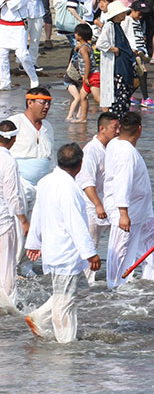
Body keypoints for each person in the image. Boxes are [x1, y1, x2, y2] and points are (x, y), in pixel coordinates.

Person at [22, 143, 100, 343]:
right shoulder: (69, 188)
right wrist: (90, 253)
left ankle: (39, 316)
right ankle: (65, 346)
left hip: (56, 247)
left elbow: (37, 213)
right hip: (65, 251)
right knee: (64, 302)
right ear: (80, 164)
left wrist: (34, 242)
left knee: (79, 290)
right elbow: (76, 224)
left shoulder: (47, 181)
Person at [103, 112, 154, 288]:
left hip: (140, 210)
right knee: (120, 249)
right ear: (140, 129)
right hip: (126, 210)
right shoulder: (126, 153)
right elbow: (123, 182)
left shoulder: (115, 143)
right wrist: (123, 213)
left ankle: (152, 279)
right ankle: (115, 285)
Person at [76, 112, 117, 285]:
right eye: (115, 128)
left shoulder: (112, 149)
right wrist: (98, 205)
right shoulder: (91, 150)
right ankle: (86, 284)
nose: (117, 131)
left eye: (119, 128)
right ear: (102, 128)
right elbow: (86, 182)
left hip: (108, 205)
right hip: (92, 206)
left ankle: (119, 278)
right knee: (90, 246)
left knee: (119, 242)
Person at [6, 87, 55, 206]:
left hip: (43, 185)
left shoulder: (48, 126)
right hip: (19, 183)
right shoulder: (14, 122)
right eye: (43, 102)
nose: (47, 106)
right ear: (30, 103)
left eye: (49, 103)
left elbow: (51, 157)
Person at [0, 122, 28, 312]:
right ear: (14, 139)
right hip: (3, 221)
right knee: (7, 267)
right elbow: (12, 194)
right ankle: (9, 308)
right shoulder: (8, 161)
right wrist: (23, 219)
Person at [0, 0, 40, 89]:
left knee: (22, 53)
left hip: (19, 25)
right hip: (4, 24)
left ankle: (33, 77)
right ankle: (5, 82)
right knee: (2, 54)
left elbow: (15, 3)